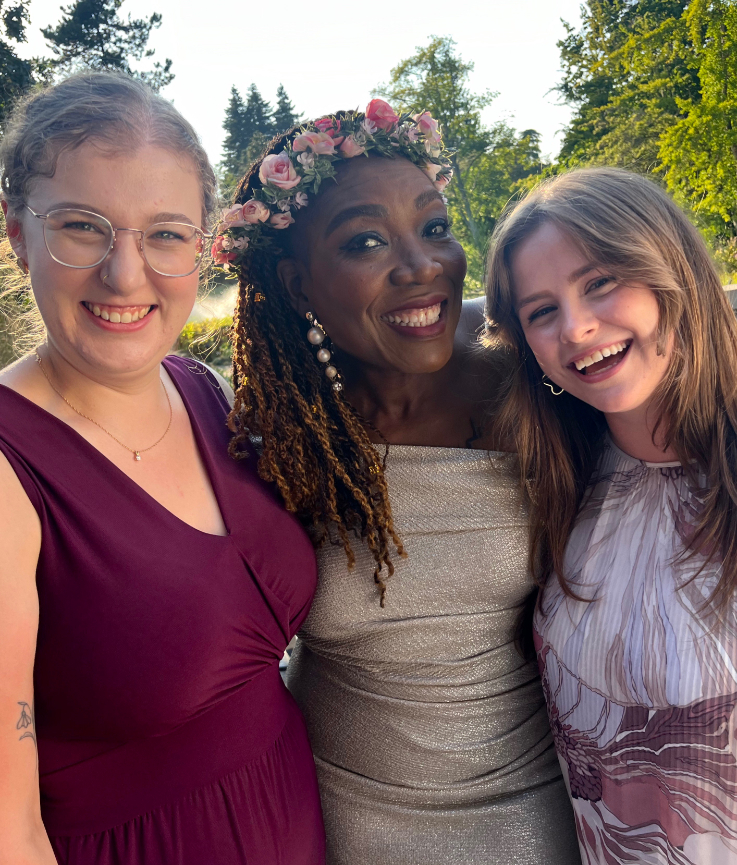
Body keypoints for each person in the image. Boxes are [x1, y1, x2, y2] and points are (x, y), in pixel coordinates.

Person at [215, 101, 579, 864]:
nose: (421, 265)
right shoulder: (274, 436)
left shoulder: (532, 383)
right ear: (296, 284)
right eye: (365, 241)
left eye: (435, 228)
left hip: (536, 807)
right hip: (345, 817)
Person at [0, 72, 324, 865]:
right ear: (16, 233)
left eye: (165, 234)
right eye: (83, 227)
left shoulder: (205, 393)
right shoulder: (10, 468)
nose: (125, 273)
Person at [486, 166, 737, 863]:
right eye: (540, 310)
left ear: (670, 269)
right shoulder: (561, 485)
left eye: (599, 281)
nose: (575, 327)